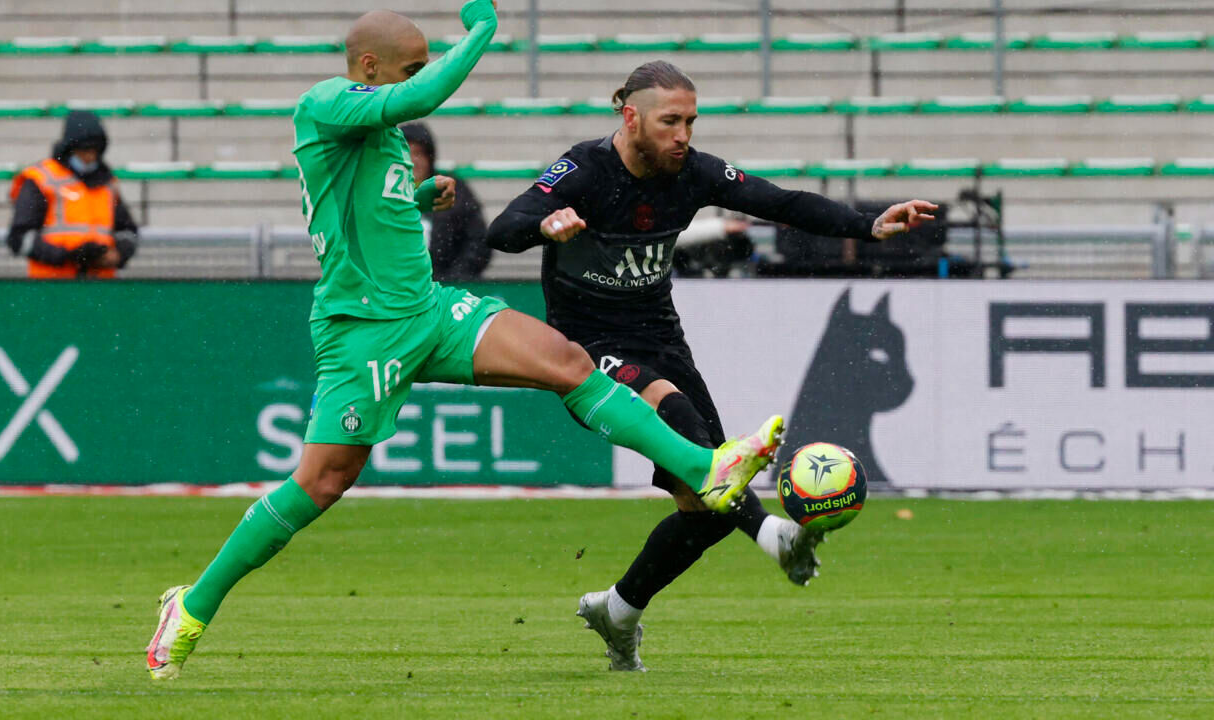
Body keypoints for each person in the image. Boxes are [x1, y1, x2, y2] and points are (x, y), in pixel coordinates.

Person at [145, 3, 785, 681]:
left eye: (420, 67)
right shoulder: (326, 102)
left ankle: (703, 468)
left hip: (427, 309)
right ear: (369, 68)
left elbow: (351, 206)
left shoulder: (376, 133)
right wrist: (480, 33)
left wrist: (414, 200)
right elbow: (423, 95)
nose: (415, 81)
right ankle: (193, 603)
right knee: (324, 480)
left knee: (568, 362)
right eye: (406, 68)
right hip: (363, 331)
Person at [486, 60, 937, 671]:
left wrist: (867, 224)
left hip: (661, 340)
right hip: (587, 349)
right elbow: (501, 229)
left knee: (708, 507)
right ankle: (773, 536)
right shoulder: (585, 169)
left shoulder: (692, 173)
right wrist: (546, 223)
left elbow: (779, 201)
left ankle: (618, 610)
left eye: (690, 121)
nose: (683, 134)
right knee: (693, 439)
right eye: (670, 121)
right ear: (630, 116)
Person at [6, 110, 138, 278]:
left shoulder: (107, 183)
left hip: (101, 287)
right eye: (83, 150)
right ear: (70, 149)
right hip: (51, 285)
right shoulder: (41, 179)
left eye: (94, 150)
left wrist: (118, 253)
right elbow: (20, 238)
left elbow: (127, 230)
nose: (89, 157)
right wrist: (69, 256)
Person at [401, 122, 493, 280]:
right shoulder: (378, 193)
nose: (413, 161)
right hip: (394, 288)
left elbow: (478, 242)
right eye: (406, 153)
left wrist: (453, 278)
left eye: (418, 153)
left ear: (430, 157)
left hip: (446, 289)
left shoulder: (453, 190)